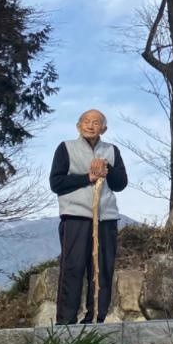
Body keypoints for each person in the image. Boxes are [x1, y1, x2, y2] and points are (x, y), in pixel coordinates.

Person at [49, 108, 128, 324]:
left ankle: (95, 319)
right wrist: (88, 177)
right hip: (75, 216)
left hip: (106, 218)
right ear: (78, 126)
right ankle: (66, 322)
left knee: (103, 270)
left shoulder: (111, 150)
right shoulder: (66, 148)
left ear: (104, 128)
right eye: (86, 121)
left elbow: (120, 184)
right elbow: (56, 183)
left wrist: (107, 168)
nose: (90, 125)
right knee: (73, 268)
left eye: (96, 122)